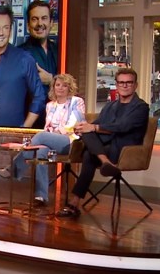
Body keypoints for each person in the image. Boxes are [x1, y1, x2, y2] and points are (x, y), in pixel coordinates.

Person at [57, 68, 150, 218]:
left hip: (124, 150)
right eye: (121, 82)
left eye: (129, 82)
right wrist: (82, 127)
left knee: (89, 152)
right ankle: (105, 163)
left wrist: (93, 128)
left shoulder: (141, 107)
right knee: (87, 137)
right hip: (104, 147)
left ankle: (74, 203)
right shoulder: (110, 106)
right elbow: (97, 124)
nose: (125, 86)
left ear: (135, 85)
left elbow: (123, 127)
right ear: (116, 85)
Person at [0, 73, 86, 206]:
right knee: (40, 152)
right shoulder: (50, 105)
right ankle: (41, 196)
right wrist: (49, 136)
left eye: (64, 85)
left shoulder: (77, 102)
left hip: (70, 142)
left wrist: (54, 133)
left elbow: (73, 124)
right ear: (53, 87)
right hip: (51, 141)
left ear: (69, 88)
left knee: (41, 136)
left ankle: (13, 168)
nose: (60, 88)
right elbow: (47, 127)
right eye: (58, 85)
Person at [0, 4, 47, 128]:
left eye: (6, 28)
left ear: (10, 31)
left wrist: (24, 127)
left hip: (14, 135)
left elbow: (39, 96)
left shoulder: (25, 59)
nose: (1, 33)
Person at [19, 0, 59, 88]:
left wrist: (51, 80)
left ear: (51, 23)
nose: (40, 23)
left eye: (44, 18)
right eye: (34, 19)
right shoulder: (19, 54)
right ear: (28, 25)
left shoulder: (59, 51)